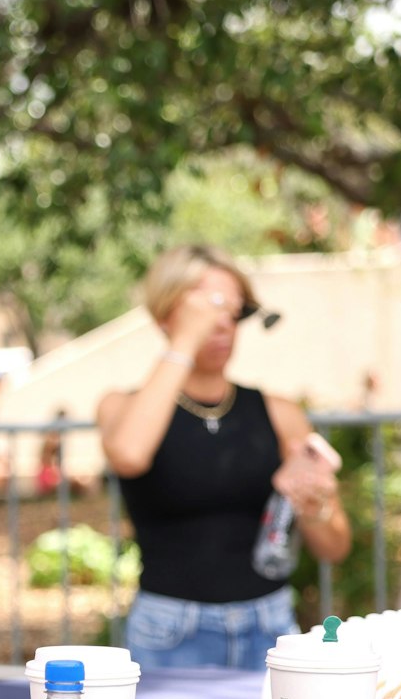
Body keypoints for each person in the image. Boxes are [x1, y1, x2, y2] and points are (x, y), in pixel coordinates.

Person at [97, 245, 352, 669]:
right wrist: (183, 340)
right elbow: (128, 454)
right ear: (165, 315)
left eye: (232, 310)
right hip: (169, 632)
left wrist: (316, 504)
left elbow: (334, 547)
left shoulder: (278, 412)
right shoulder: (122, 406)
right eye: (204, 305)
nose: (220, 323)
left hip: (270, 625)